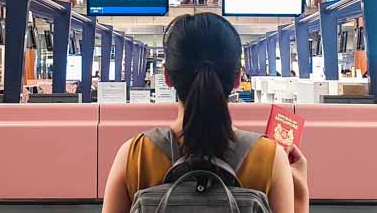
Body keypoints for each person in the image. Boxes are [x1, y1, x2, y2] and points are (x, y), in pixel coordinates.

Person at [101, 13, 308, 213]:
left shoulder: (135, 155)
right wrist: (299, 192)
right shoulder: (269, 158)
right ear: (237, 79)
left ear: (167, 77)